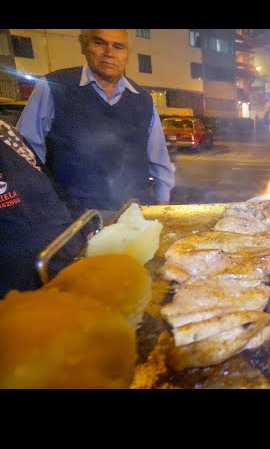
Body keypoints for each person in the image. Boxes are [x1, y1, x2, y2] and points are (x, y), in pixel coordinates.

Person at [18, 29, 175, 217]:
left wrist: (162, 207)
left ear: (127, 54)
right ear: (84, 45)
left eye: (118, 46)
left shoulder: (143, 99)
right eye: (99, 43)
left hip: (133, 214)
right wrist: (43, 209)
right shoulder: (53, 88)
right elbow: (24, 157)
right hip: (74, 217)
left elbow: (159, 160)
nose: (109, 53)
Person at [0, 119, 81, 296]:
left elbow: (50, 186)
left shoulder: (6, 130)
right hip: (20, 287)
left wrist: (81, 229)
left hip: (63, 260)